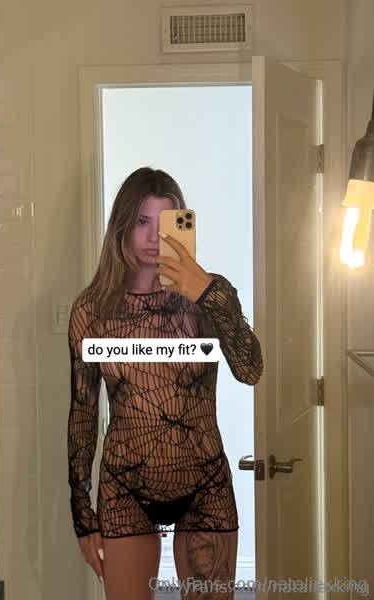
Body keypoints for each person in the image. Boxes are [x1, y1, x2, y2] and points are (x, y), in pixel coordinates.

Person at [67, 167, 264, 599]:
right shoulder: (92, 310)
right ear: (121, 225)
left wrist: (207, 292)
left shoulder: (210, 297)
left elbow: (250, 370)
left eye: (165, 223)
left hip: (205, 483)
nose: (154, 238)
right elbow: (82, 412)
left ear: (182, 224)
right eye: (142, 221)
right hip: (124, 487)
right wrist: (83, 515)